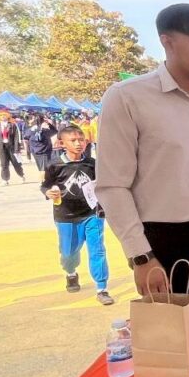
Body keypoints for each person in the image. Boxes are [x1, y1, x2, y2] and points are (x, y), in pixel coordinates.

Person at [96, 3, 189, 301]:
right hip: (163, 246)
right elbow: (112, 185)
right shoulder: (128, 98)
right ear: (167, 41)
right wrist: (141, 255)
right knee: (171, 330)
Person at [43, 125, 113, 305]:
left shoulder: (92, 164)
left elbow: (102, 184)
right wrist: (48, 192)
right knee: (68, 253)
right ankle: (71, 272)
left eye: (81, 140)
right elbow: (45, 185)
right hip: (66, 216)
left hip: (92, 214)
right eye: (73, 140)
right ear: (61, 143)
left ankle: (102, 288)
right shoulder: (54, 165)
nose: (78, 144)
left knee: (97, 249)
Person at [0, 110, 26, 185]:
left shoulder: (13, 125)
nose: (3, 117)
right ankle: (5, 179)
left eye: (4, 115)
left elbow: (16, 137)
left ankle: (21, 175)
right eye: (1, 115)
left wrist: (17, 148)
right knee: (4, 164)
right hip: (2, 147)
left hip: (12, 147)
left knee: (16, 163)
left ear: (7, 116)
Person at [28, 113, 58, 181]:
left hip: (35, 151)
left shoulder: (31, 129)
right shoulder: (45, 129)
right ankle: (44, 182)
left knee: (41, 168)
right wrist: (49, 124)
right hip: (44, 151)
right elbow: (55, 132)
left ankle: (43, 181)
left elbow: (26, 137)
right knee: (44, 169)